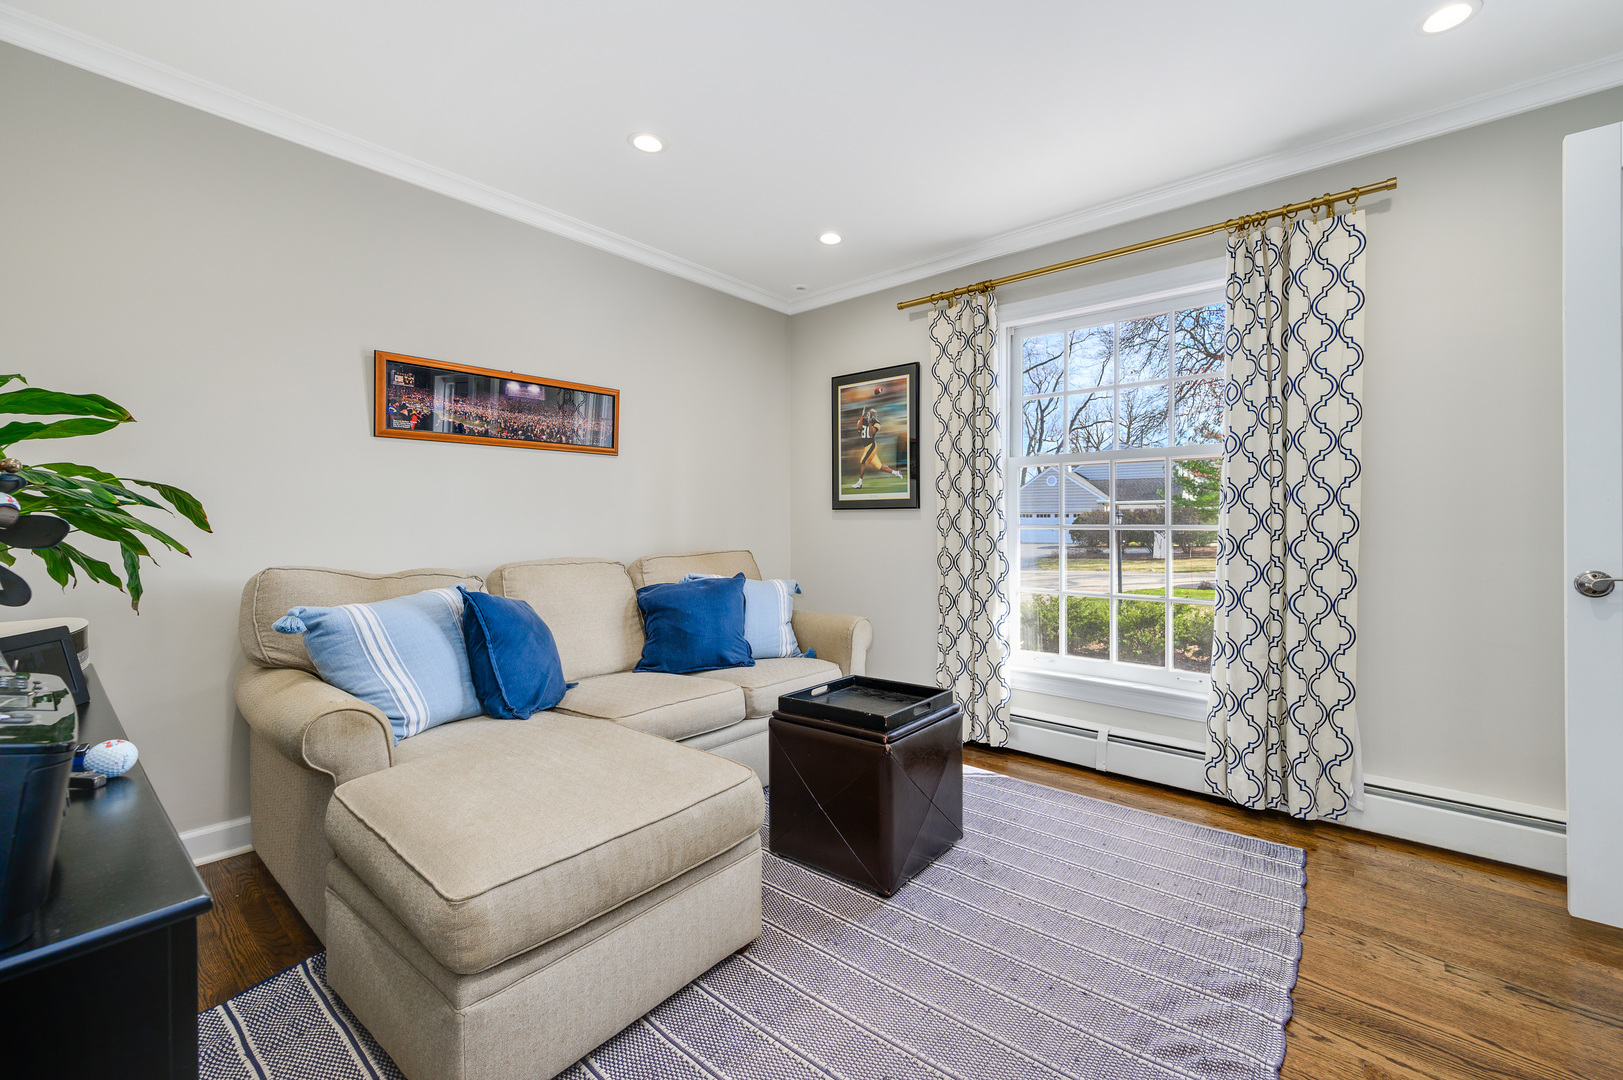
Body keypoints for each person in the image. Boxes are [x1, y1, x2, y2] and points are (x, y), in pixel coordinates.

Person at [851, 406, 902, 489]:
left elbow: (871, 434)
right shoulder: (862, 420)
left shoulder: (877, 423)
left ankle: (859, 483)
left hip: (871, 446)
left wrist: (870, 423)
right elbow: (859, 428)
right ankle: (896, 473)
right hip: (866, 447)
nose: (873, 415)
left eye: (874, 414)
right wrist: (862, 416)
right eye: (872, 414)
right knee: (879, 466)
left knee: (863, 461)